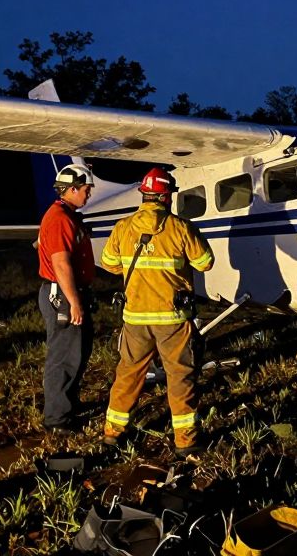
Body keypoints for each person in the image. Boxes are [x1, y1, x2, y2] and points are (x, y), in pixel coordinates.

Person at [101, 167, 214, 458]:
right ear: (166, 197)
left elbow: (110, 263)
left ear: (145, 195)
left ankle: (113, 433)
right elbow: (205, 263)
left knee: (128, 373)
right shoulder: (180, 228)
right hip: (173, 320)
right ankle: (185, 441)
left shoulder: (123, 227)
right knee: (180, 376)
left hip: (135, 318)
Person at [37, 163, 96, 433]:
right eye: (86, 189)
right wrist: (74, 302)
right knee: (63, 357)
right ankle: (57, 419)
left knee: (77, 353)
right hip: (62, 294)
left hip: (66, 292)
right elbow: (61, 264)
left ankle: (67, 405)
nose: (89, 195)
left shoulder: (67, 215)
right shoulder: (60, 218)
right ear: (71, 189)